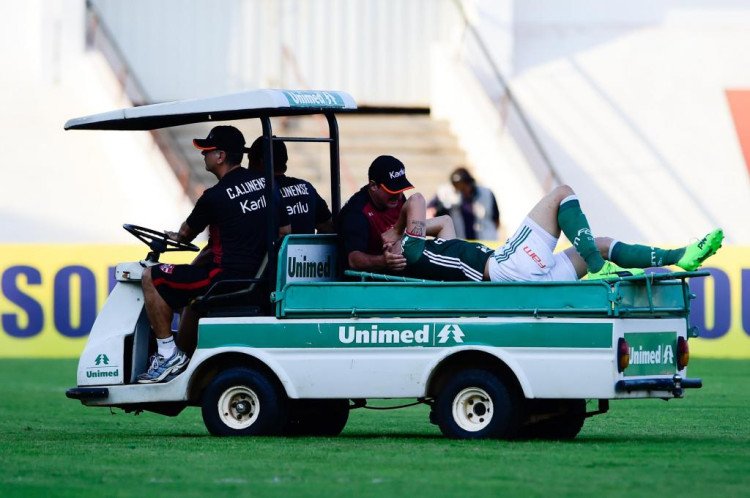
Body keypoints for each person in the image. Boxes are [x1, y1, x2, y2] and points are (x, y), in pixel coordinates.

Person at [138, 125, 291, 383]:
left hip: (224, 278)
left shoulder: (214, 197)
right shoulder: (268, 185)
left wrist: (173, 237)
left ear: (220, 156)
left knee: (150, 276)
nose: (203, 156)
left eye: (207, 151)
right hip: (259, 277)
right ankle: (182, 354)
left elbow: (184, 235)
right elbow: (285, 231)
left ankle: (167, 354)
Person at [382, 186, 723, 282]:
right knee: (561, 194)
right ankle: (598, 266)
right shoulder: (407, 250)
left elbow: (441, 222)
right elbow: (416, 200)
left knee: (601, 245)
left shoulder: (425, 248)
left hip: (526, 274)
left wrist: (409, 232)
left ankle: (680, 257)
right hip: (507, 268)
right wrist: (397, 231)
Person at [337, 155, 420, 272]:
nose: (399, 195)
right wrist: (384, 261)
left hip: (400, 267)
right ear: (373, 186)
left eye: (401, 189)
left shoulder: (398, 199)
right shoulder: (356, 212)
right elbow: (353, 260)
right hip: (368, 281)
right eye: (393, 190)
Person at [247, 136, 333, 233]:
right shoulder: (306, 187)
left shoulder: (256, 193)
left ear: (261, 162)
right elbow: (327, 225)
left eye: (249, 160)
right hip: (306, 247)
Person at [427, 166, 500, 240]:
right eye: (458, 187)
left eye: (464, 186)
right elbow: (430, 212)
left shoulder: (486, 194)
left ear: (471, 183)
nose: (462, 190)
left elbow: (496, 220)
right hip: (459, 243)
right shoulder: (444, 194)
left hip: (485, 242)